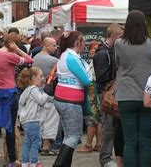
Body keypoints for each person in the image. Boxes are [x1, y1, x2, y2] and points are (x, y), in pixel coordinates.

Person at [114, 10, 151, 167]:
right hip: (148, 95)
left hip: (126, 95)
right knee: (145, 141)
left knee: (130, 140)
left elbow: (118, 64)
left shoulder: (119, 44)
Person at [0, 34, 34, 166]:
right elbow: (30, 61)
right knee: (9, 127)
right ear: (14, 44)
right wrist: (18, 50)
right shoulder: (11, 56)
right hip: (9, 93)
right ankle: (12, 160)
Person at [52, 31, 92, 167]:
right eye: (82, 41)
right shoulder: (72, 58)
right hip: (71, 100)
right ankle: (58, 164)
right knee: (74, 136)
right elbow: (86, 81)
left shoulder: (64, 55)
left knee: (69, 136)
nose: (84, 44)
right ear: (77, 43)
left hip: (61, 98)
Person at [94, 23, 123, 167]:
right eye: (120, 36)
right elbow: (101, 77)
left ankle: (107, 157)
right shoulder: (102, 53)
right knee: (108, 127)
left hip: (109, 92)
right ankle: (105, 158)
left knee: (111, 126)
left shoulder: (109, 51)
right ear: (113, 36)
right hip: (105, 93)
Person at [18, 67, 53, 167]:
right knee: (36, 143)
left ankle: (25, 162)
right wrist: (47, 91)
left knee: (27, 143)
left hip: (26, 121)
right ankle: (33, 162)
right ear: (33, 78)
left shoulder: (28, 89)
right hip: (33, 120)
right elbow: (41, 100)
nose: (43, 78)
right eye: (41, 76)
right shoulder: (33, 90)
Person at [32, 37, 60, 156]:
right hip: (49, 93)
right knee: (50, 120)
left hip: (36, 93)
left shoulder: (35, 57)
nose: (56, 48)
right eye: (54, 45)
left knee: (40, 120)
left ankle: (40, 145)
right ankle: (47, 146)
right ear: (47, 46)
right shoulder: (53, 60)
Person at [77, 41, 102, 153]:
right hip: (94, 89)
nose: (93, 50)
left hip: (92, 89)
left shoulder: (96, 61)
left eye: (96, 48)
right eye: (92, 48)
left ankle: (88, 145)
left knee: (91, 117)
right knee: (97, 118)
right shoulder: (92, 61)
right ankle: (98, 144)